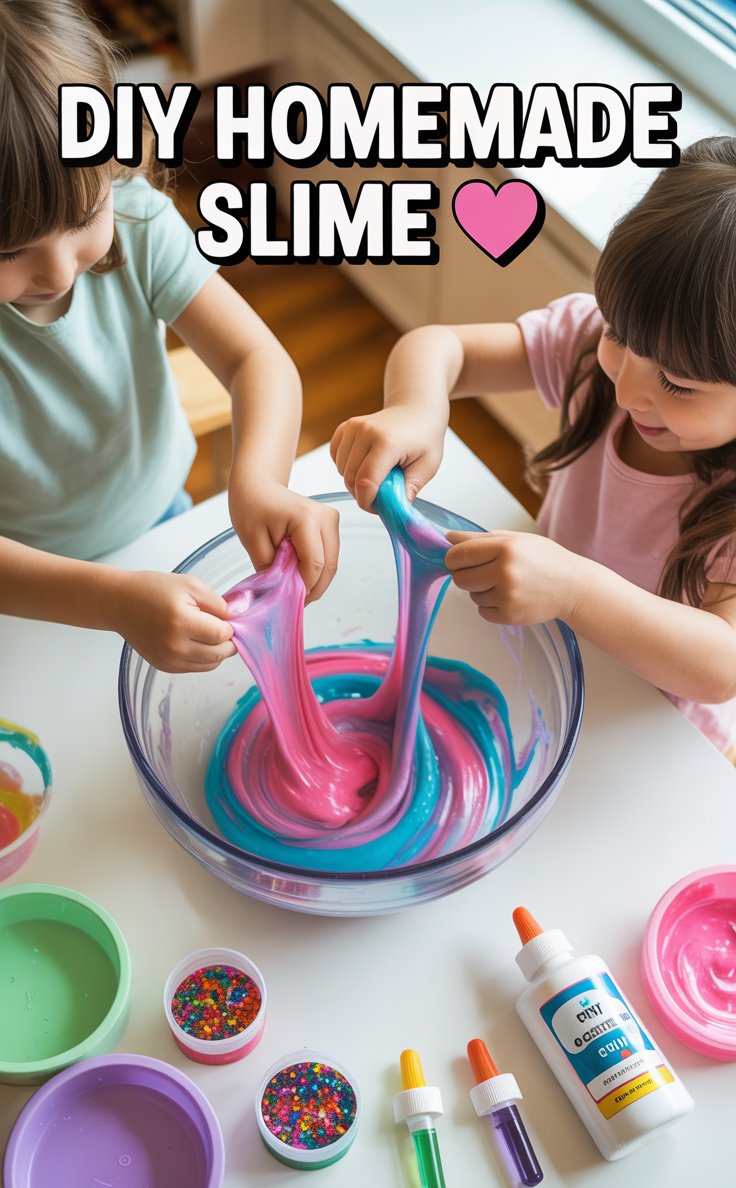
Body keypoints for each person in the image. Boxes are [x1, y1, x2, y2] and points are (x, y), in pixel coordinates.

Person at [331, 137, 736, 756]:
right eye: (620, 336)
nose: (626, 386)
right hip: (537, 641)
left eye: (678, 384)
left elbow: (718, 665)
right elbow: (444, 348)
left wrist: (575, 590)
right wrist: (417, 409)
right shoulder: (588, 345)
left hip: (645, 724)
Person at [0, 0, 338, 674]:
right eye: (9, 252)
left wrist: (260, 480)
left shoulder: (138, 221)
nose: (61, 269)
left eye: (83, 216)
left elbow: (256, 359)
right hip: (28, 586)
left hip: (162, 521)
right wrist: (115, 603)